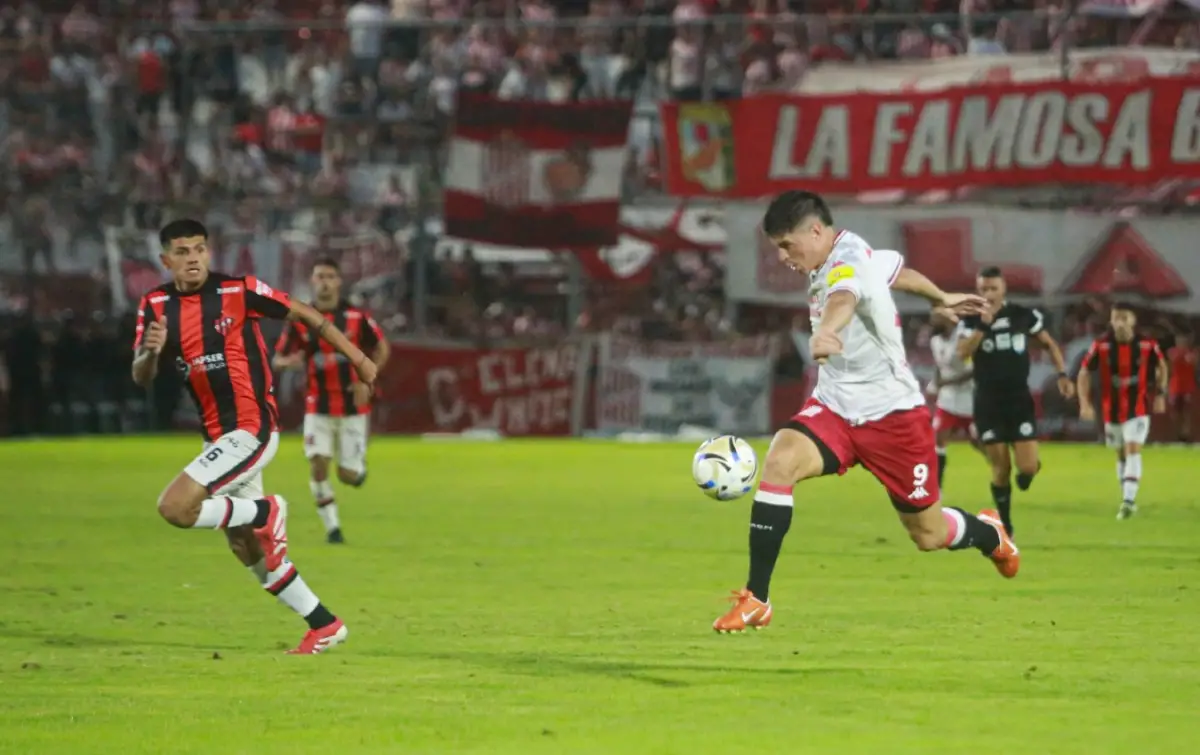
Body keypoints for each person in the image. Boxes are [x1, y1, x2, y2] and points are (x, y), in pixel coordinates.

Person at [713, 190, 1019, 635]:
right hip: (836, 408)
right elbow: (894, 271)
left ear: (814, 231)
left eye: (787, 245)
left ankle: (989, 533)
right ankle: (757, 598)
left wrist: (827, 332)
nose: (783, 257)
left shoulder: (845, 263)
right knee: (781, 458)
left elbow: (844, 296)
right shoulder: (848, 252)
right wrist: (939, 296)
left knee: (929, 534)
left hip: (894, 418)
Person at [132, 219, 377, 654]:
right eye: (182, 252)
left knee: (175, 507)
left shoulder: (237, 290)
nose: (193, 258)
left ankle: (265, 510)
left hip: (250, 427)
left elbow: (306, 314)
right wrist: (151, 351)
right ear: (166, 260)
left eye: (199, 249)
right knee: (246, 546)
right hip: (216, 438)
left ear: (209, 252)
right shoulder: (155, 305)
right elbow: (142, 376)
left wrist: (358, 359)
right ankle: (324, 624)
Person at [273, 258, 390, 544]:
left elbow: (382, 347)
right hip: (318, 405)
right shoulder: (301, 319)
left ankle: (356, 470)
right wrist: (291, 361)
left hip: (353, 407)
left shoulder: (356, 318)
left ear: (338, 282)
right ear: (312, 281)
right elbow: (277, 359)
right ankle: (333, 529)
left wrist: (367, 379)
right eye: (319, 276)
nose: (324, 282)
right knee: (318, 463)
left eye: (329, 276)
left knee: (348, 475)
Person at [958, 267, 1072, 538]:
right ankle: (1006, 525)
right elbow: (962, 353)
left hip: (1018, 399)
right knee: (1000, 468)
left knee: (1027, 467)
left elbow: (1049, 344)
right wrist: (983, 325)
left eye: (993, 288)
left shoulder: (1022, 315)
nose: (988, 294)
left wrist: (1062, 374)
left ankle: (1028, 472)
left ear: (1003, 289)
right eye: (983, 289)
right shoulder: (971, 319)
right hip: (988, 402)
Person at [1077, 303, 1167, 520]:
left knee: (1132, 448)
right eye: (1116, 318)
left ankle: (1128, 501)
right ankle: (1127, 496)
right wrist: (1084, 403)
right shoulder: (1101, 345)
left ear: (1133, 321)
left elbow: (1162, 366)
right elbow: (1084, 372)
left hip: (1139, 407)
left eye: (1124, 318)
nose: (1119, 323)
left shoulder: (1147, 344)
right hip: (1112, 410)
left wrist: (1160, 394)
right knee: (1120, 453)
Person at [927, 313, 981, 488]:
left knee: (979, 442)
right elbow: (939, 366)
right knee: (937, 441)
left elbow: (975, 370)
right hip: (948, 399)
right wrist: (936, 384)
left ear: (948, 318)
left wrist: (947, 382)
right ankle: (937, 489)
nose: (932, 320)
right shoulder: (935, 341)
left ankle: (1001, 470)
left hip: (970, 398)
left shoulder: (964, 336)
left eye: (936, 317)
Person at [1167, 332, 1197, 442]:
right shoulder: (1172, 352)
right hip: (1175, 386)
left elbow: (1194, 364)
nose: (1181, 343)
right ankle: (1177, 433)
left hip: (1187, 386)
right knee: (1175, 412)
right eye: (1179, 341)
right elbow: (1170, 366)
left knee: (1186, 411)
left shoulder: (1191, 353)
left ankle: (1185, 434)